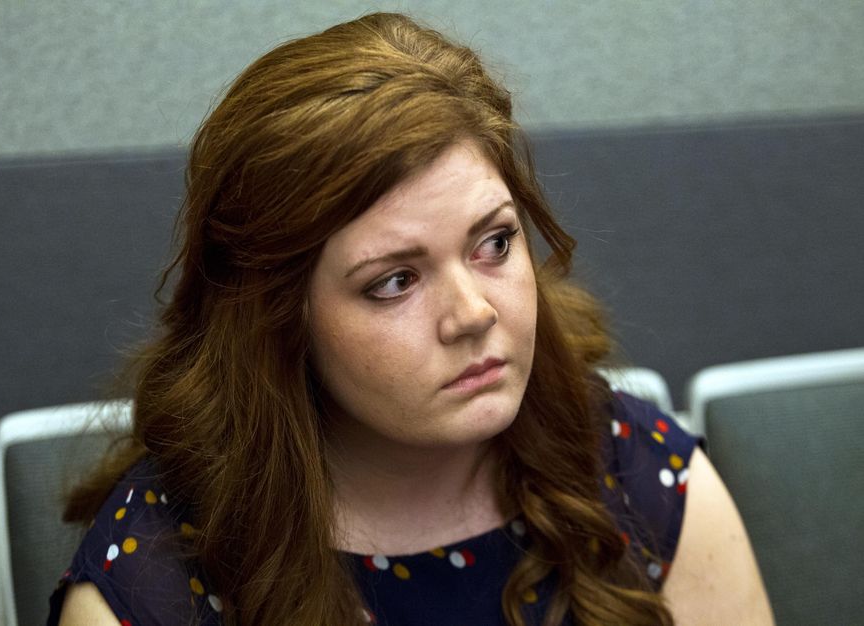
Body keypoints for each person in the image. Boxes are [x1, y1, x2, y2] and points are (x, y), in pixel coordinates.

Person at [50, 12, 773, 626]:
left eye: (494, 243)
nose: (473, 313)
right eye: (395, 281)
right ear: (278, 318)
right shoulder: (155, 577)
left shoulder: (636, 468)